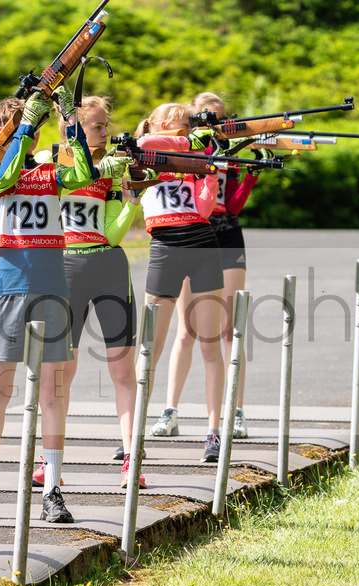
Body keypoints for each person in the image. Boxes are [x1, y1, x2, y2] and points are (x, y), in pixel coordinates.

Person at [0, 89, 123, 523]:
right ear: (2, 133)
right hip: (11, 289)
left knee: (53, 391)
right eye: (21, 129)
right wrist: (21, 130)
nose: (30, 136)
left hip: (53, 289)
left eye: (34, 128)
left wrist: (71, 126)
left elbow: (82, 174)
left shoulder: (47, 173)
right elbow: (1, 181)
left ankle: (53, 490)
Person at [34, 96, 145, 488]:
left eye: (105, 125)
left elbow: (112, 232)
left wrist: (131, 201)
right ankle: (51, 463)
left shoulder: (115, 165)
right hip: (65, 268)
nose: (105, 131)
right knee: (62, 371)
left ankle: (133, 458)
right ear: (74, 128)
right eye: (97, 126)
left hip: (109, 265)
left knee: (121, 368)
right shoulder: (51, 161)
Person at [149, 92, 259, 442]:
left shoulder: (226, 150)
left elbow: (233, 203)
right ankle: (171, 411)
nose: (216, 124)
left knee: (228, 330)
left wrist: (250, 173)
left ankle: (235, 412)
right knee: (185, 330)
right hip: (190, 232)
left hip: (223, 234)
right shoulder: (185, 148)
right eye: (208, 117)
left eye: (221, 118)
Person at [136, 103, 225, 463]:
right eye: (180, 124)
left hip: (202, 245)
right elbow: (144, 145)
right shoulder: (143, 149)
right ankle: (134, 435)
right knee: (149, 349)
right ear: (160, 125)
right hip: (165, 248)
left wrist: (208, 170)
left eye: (188, 125)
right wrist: (185, 144)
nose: (187, 129)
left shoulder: (194, 156)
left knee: (209, 345)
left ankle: (213, 432)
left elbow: (204, 209)